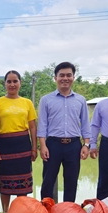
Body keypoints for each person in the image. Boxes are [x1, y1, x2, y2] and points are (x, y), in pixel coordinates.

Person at [37, 62, 91, 202]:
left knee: (71, 182)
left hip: (73, 145)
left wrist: (86, 145)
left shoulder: (80, 100)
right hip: (52, 144)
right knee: (48, 181)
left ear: (73, 77)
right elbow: (42, 124)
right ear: (55, 78)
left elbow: (85, 124)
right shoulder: (46, 100)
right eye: (61, 75)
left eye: (68, 75)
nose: (65, 78)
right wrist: (42, 145)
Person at [0, 70, 37, 213]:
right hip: (5, 145)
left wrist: (35, 148)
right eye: (9, 81)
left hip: (23, 144)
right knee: (5, 179)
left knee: (23, 180)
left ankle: (20, 212)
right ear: (5, 83)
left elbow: (32, 127)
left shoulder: (27, 103)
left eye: (15, 81)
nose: (12, 84)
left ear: (20, 83)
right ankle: (5, 212)